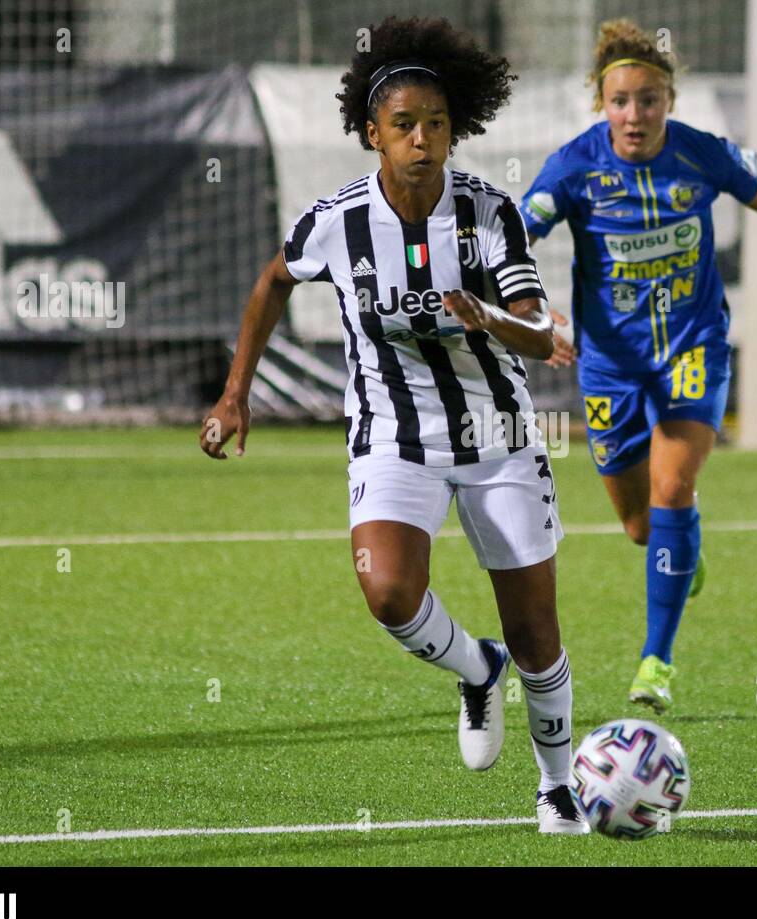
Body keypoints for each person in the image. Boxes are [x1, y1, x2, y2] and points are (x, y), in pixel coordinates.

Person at [200, 16, 588, 834]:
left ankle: (557, 786)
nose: (422, 139)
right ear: (371, 133)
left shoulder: (489, 214)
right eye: (404, 125)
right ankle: (475, 668)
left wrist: (483, 314)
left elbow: (541, 330)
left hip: (499, 440)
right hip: (390, 435)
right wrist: (236, 393)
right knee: (387, 592)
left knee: (536, 628)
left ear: (455, 130)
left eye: (437, 124)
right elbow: (273, 282)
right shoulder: (335, 221)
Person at [521, 19, 757, 712]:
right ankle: (682, 548)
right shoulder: (574, 167)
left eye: (650, 99)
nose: (635, 115)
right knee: (638, 526)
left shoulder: (703, 156)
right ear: (602, 103)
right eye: (621, 100)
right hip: (608, 365)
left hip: (693, 348)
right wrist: (536, 313)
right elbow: (515, 236)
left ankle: (656, 661)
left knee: (673, 484)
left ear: (671, 101)